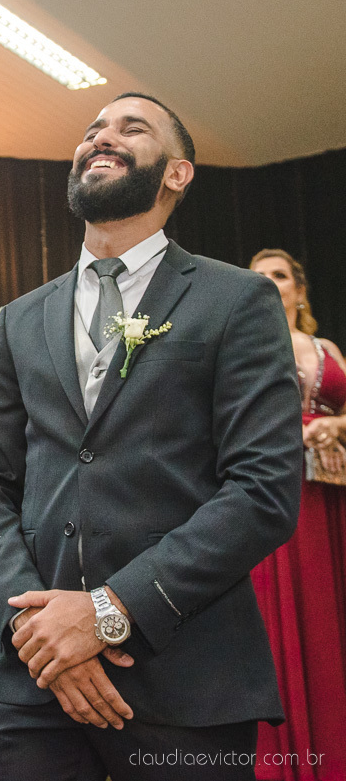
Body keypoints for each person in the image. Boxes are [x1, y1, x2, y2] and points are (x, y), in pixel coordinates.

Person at [0, 92, 303, 781]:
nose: (101, 137)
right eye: (93, 130)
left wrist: (108, 613)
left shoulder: (236, 300)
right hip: (30, 674)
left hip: (185, 670)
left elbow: (263, 489)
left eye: (131, 127)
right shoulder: (20, 319)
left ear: (177, 173)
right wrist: (34, 627)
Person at [249, 248, 346, 780]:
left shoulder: (326, 348)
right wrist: (298, 433)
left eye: (280, 275)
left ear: (300, 290)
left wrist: (336, 426)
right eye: (258, 276)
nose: (269, 282)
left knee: (332, 616)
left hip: (331, 492)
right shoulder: (245, 342)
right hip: (279, 493)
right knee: (284, 615)